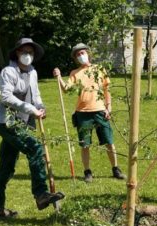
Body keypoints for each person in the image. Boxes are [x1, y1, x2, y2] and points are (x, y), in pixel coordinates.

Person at [0, 37, 65, 217]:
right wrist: (31, 109)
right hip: (6, 122)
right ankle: (40, 194)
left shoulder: (32, 72)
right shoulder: (8, 72)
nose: (27, 55)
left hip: (23, 122)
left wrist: (40, 107)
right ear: (16, 53)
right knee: (35, 148)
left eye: (30, 52)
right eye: (24, 52)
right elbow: (5, 97)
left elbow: (36, 95)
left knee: (6, 166)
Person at [53, 43, 126, 183]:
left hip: (100, 111)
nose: (81, 56)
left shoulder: (99, 69)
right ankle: (87, 172)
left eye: (83, 53)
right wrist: (59, 77)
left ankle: (116, 169)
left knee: (109, 142)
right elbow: (66, 89)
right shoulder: (75, 73)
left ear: (88, 53)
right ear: (75, 58)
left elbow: (106, 89)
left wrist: (108, 107)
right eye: (78, 54)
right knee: (85, 144)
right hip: (83, 113)